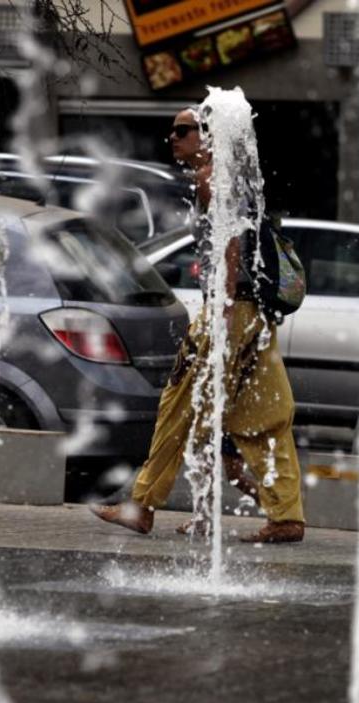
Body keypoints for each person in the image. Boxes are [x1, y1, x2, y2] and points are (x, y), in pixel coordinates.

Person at [90, 107, 305, 543]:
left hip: (227, 312)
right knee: (266, 415)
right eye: (172, 131)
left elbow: (228, 243)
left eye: (183, 131)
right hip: (254, 316)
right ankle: (286, 516)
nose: (174, 138)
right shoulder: (235, 177)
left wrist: (222, 309)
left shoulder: (212, 178)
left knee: (178, 405)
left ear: (208, 136)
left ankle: (142, 505)